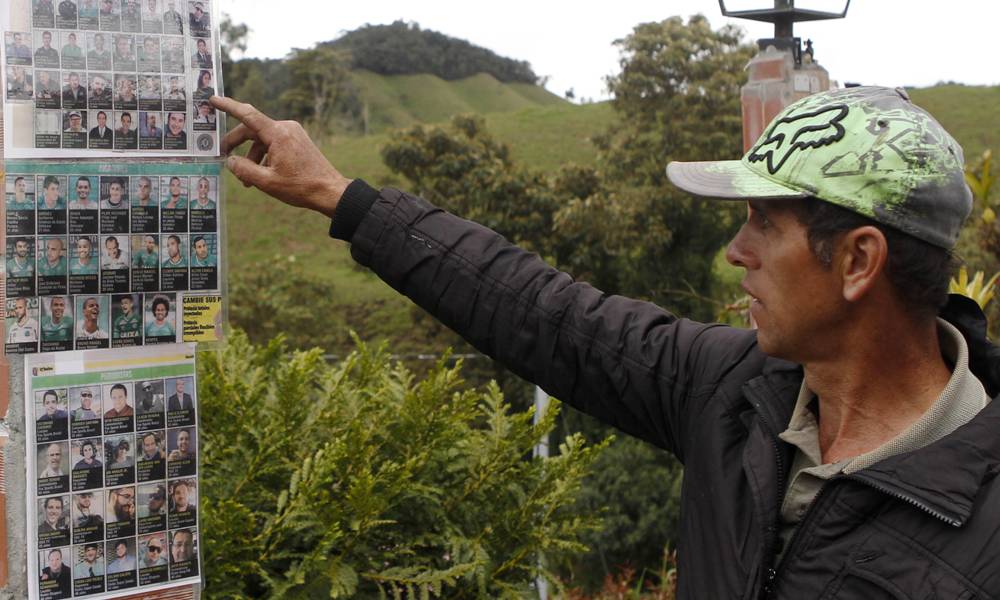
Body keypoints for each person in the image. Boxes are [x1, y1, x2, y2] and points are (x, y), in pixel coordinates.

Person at [211, 86, 1000, 598]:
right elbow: (547, 313)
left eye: (764, 221)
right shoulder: (736, 392)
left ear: (859, 260)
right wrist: (341, 198)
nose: (736, 249)